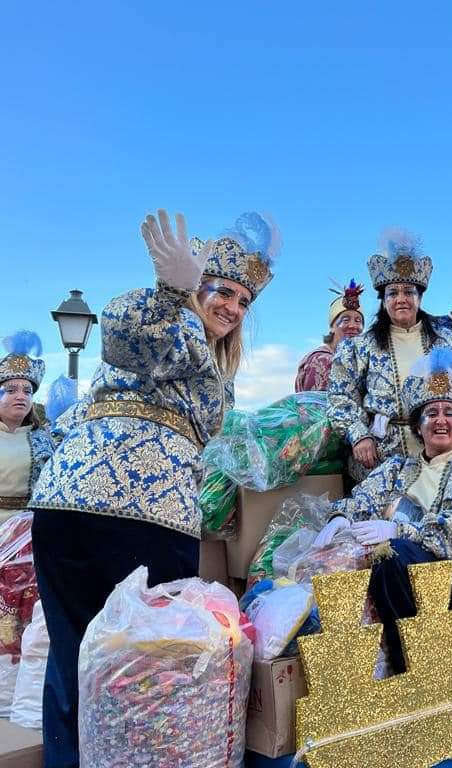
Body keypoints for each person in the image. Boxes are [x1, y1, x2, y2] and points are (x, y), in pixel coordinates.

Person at [30, 209, 277, 767]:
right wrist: (170, 292)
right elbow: (122, 334)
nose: (232, 308)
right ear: (197, 283)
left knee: (77, 659)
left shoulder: (212, 364)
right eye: (222, 291)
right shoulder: (175, 324)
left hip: (69, 506)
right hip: (139, 519)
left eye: (243, 301)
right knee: (141, 674)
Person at [315, 347, 452, 673]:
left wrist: (401, 529)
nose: (441, 420)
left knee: (391, 553)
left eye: (449, 412)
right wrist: (341, 517)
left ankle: (411, 665)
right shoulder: (401, 466)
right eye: (432, 413)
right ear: (418, 426)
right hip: (408, 571)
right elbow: (364, 498)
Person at [329, 230, 452, 483]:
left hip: (443, 454)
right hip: (379, 458)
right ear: (383, 300)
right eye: (393, 293)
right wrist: (359, 434)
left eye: (409, 292)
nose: (401, 299)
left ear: (420, 297)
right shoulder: (360, 347)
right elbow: (340, 396)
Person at [0, 332, 56, 525]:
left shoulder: (44, 439)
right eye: (11, 390)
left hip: (29, 532)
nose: (21, 396)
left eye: (27, 391)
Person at [295, 279, 365, 392]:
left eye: (358, 321)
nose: (353, 325)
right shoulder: (323, 360)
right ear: (332, 326)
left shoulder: (355, 361)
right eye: (345, 319)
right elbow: (316, 407)